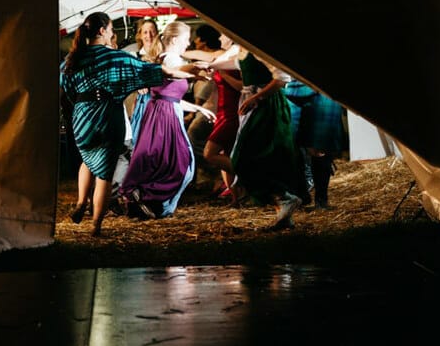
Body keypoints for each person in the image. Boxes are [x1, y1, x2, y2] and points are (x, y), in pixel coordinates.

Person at [60, 12, 206, 236]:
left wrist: (82, 105)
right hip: (109, 115)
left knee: (87, 160)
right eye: (110, 29)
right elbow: (156, 71)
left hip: (81, 116)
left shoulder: (71, 60)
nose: (112, 34)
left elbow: (66, 87)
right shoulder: (115, 58)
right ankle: (96, 226)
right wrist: (191, 72)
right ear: (102, 31)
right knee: (105, 173)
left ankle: (81, 203)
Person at [117, 21, 215, 219]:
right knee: (178, 163)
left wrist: (197, 108)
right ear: (176, 39)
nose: (188, 43)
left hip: (168, 111)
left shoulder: (172, 58)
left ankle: (150, 202)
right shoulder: (170, 58)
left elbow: (171, 96)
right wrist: (195, 69)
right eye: (186, 39)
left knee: (169, 162)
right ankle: (149, 200)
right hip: (164, 116)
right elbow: (175, 70)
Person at [204, 43, 307, 230]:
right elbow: (231, 63)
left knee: (247, 158)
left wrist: (256, 98)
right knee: (256, 158)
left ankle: (285, 198)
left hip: (267, 106)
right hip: (253, 105)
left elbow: (282, 79)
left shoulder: (259, 50)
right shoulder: (244, 51)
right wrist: (209, 65)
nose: (222, 36)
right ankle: (283, 210)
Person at [184, 33, 245, 205]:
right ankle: (236, 197)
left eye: (223, 33)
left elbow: (243, 86)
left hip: (232, 111)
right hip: (222, 111)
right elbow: (212, 61)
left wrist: (222, 74)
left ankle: (249, 174)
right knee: (224, 153)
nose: (219, 36)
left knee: (209, 153)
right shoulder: (227, 53)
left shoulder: (237, 52)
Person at [284, 79, 349, 210]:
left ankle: (321, 201)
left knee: (320, 147)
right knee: (289, 145)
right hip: (291, 88)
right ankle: (301, 195)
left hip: (323, 89)